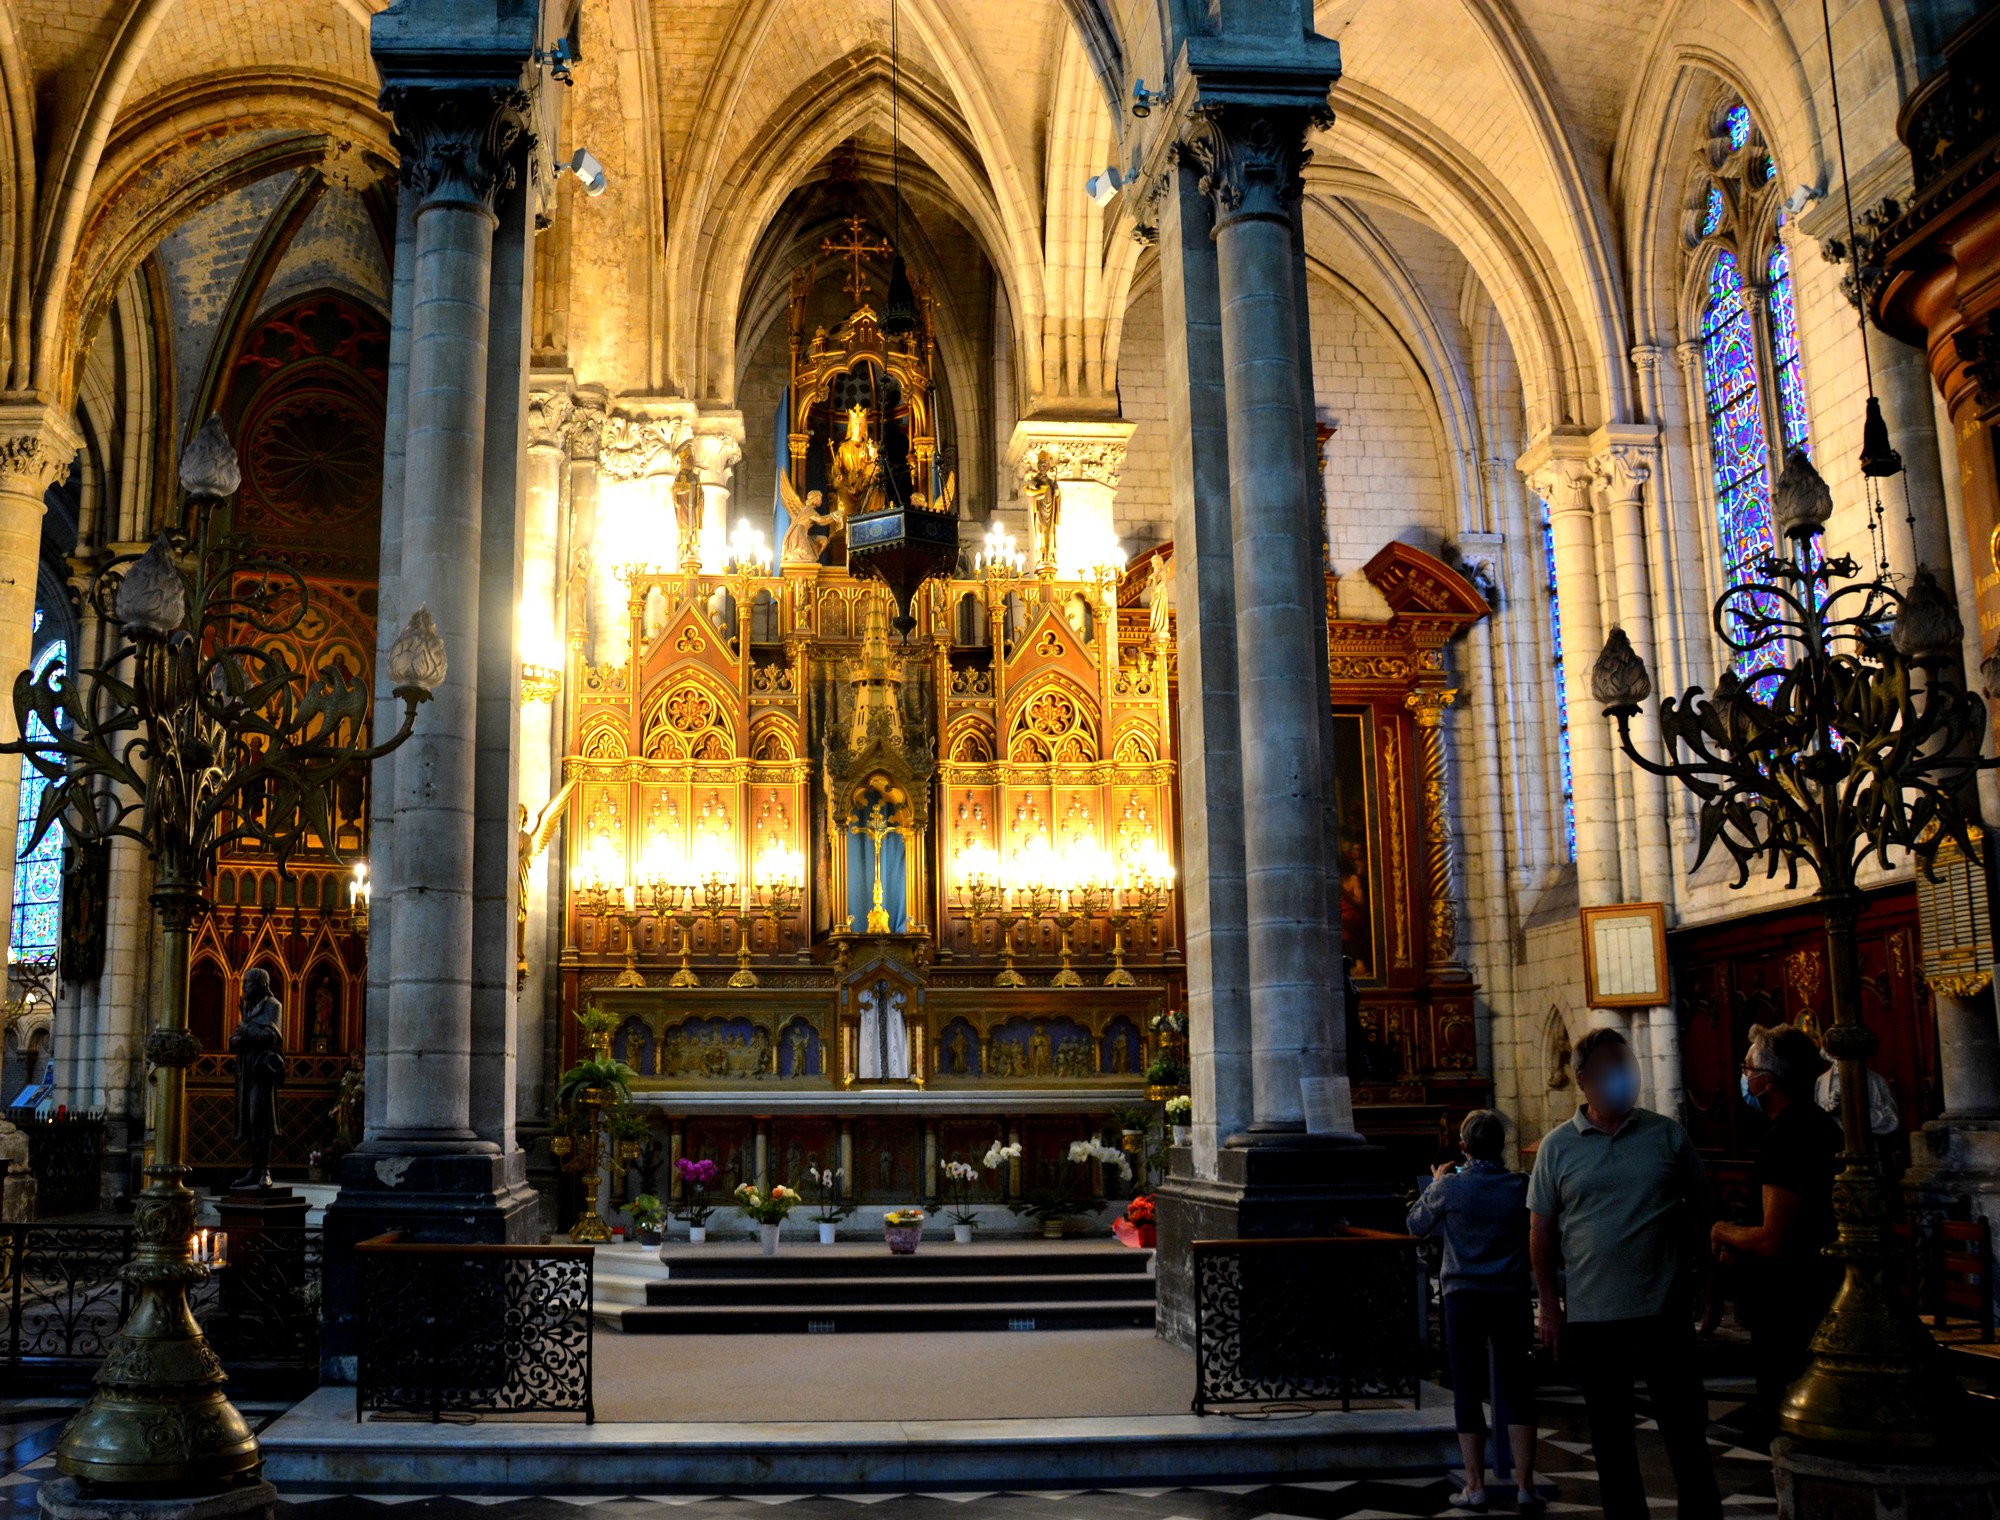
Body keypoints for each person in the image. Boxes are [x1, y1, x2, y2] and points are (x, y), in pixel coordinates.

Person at [1529, 1027, 1719, 1520]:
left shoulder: (1665, 1135)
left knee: (1685, 1434)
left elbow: (1701, 1211)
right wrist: (1550, 1306)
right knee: (1612, 1443)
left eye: (1627, 1064)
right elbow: (1543, 1232)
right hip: (1594, 1317)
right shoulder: (1557, 1148)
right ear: (1583, 1080)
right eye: (1611, 1067)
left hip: (1663, 1310)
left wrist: (1709, 1281)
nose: (1623, 1076)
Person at [1408, 1109, 1542, 1513]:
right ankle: (1525, 1486)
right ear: (1500, 1146)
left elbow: (1415, 1224)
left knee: (1467, 1387)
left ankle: (1474, 1485)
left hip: (1464, 1294)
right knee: (1517, 1385)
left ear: (1463, 1147)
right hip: (1510, 1293)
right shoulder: (1520, 1185)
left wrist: (1433, 1185)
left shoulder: (1450, 1187)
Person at [1711, 1022, 1842, 1431]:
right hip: (1817, 1290)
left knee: (1789, 1412)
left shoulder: (1787, 1138)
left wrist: (1721, 1231)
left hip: (1792, 1302)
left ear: (1766, 1082)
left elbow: (1775, 1240)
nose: (1744, 1077)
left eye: (1748, 1069)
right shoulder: (1821, 1125)